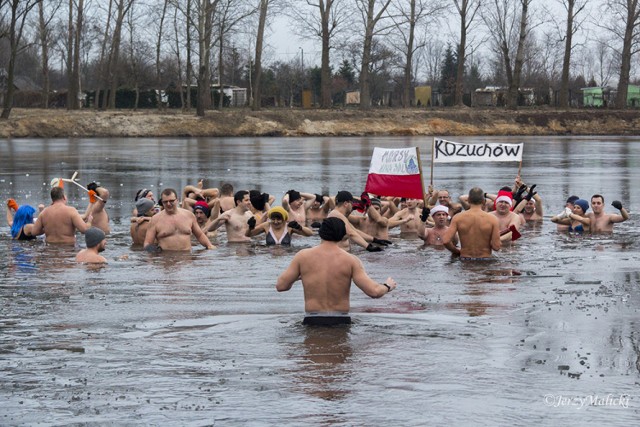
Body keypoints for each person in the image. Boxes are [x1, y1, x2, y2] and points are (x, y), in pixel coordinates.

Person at [276, 217, 397, 326]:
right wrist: (387, 286)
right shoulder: (351, 260)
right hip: (341, 320)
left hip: (312, 320)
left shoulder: (302, 256)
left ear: (321, 233)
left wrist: (297, 278)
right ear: (342, 235)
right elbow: (374, 292)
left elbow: (281, 286)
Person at [143, 188, 215, 251]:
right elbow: (147, 243)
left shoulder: (189, 215)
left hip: (186, 259)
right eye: (165, 202)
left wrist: (209, 245)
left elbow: (200, 235)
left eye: (171, 201)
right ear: (162, 202)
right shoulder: (155, 219)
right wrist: (153, 253)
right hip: (166, 260)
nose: (168, 204)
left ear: (177, 200)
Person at [443, 187, 501, 259]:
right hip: (485, 260)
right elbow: (496, 247)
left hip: (465, 260)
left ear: (469, 200)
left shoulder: (458, 218)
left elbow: (446, 241)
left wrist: (456, 251)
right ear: (483, 201)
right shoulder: (493, 219)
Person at [246, 206, 313, 245]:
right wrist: (250, 227)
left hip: (285, 256)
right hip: (268, 257)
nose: (275, 222)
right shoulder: (267, 226)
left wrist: (299, 227)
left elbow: (310, 234)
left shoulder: (289, 227)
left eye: (278, 219)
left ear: (284, 219)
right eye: (273, 219)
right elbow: (248, 234)